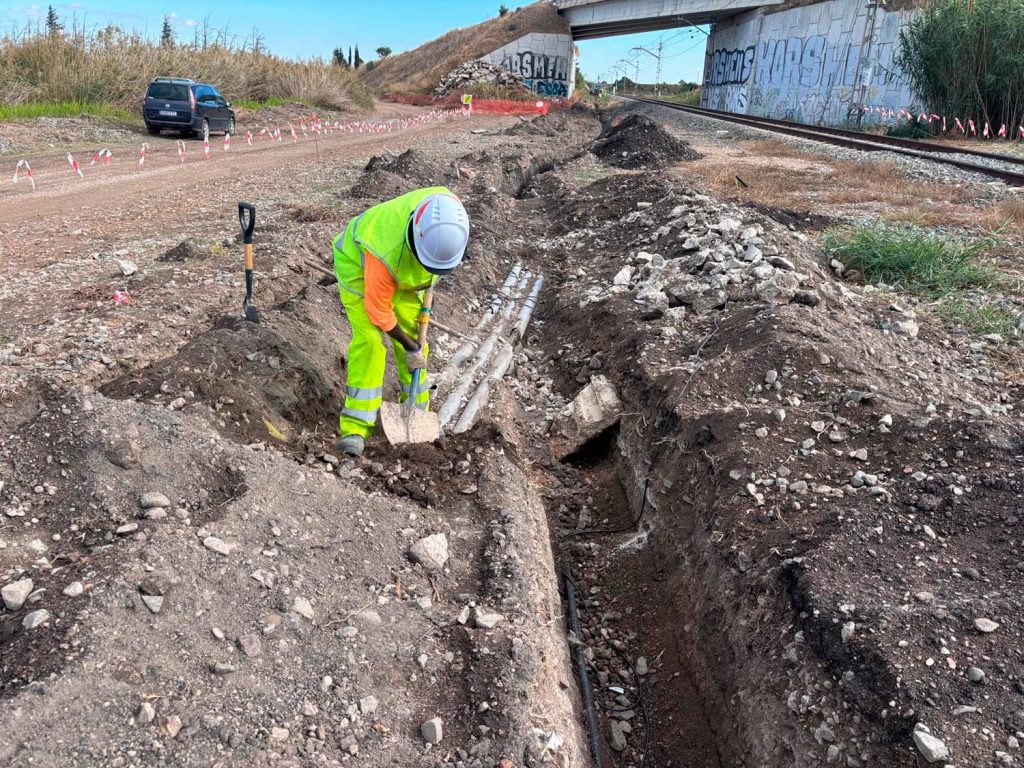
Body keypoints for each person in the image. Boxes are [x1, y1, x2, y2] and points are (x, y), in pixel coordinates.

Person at [331, 187, 470, 457]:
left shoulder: (449, 217)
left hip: (408, 270)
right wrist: (409, 346)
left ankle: (416, 415)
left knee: (417, 341)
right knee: (371, 342)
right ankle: (356, 428)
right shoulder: (384, 251)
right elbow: (379, 313)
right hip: (359, 265)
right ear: (417, 239)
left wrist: (414, 345)